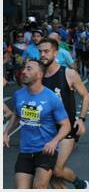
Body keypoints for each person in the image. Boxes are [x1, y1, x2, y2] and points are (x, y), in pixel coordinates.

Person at [3, 59, 71, 189]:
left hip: (45, 151)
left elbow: (66, 125)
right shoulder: (18, 95)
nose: (24, 72)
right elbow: (16, 115)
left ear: (40, 74)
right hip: (25, 150)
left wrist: (54, 142)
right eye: (24, 68)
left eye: (29, 69)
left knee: (39, 187)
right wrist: (6, 133)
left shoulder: (52, 98)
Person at [39, 38, 89, 189]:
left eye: (46, 51)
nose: (42, 54)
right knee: (51, 177)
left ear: (55, 53)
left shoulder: (69, 74)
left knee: (57, 170)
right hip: (45, 131)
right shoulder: (38, 76)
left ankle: (79, 183)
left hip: (66, 129)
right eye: (40, 51)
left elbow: (86, 96)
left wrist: (81, 119)